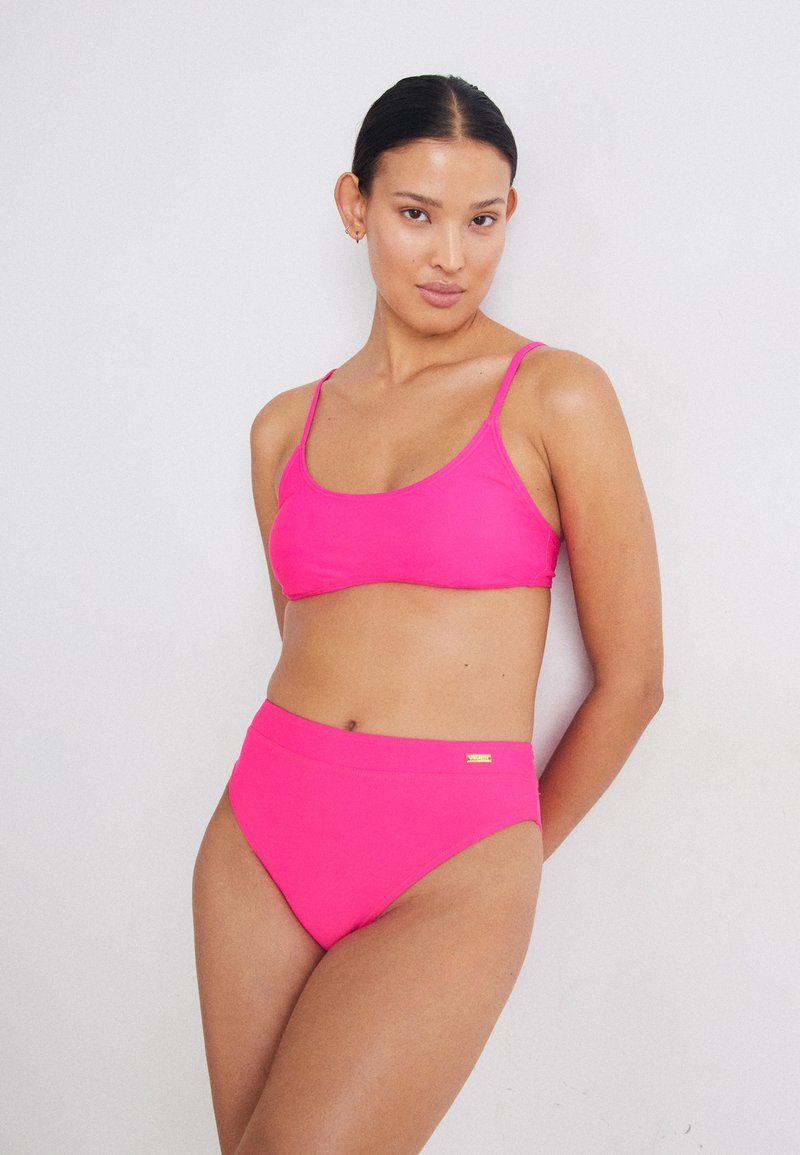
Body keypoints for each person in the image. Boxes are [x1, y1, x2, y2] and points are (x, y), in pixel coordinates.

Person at [192, 73, 663, 1155]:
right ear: (353, 205)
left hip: (451, 857)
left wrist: (507, 847)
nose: (451, 255)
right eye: (416, 214)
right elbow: (305, 639)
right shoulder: (282, 428)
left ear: (509, 216)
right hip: (261, 836)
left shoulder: (556, 396)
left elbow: (633, 681)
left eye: (481, 220)